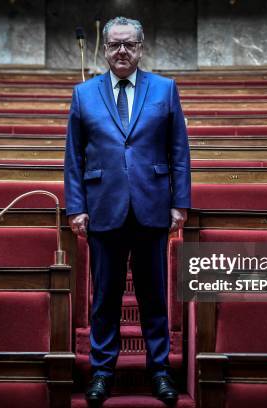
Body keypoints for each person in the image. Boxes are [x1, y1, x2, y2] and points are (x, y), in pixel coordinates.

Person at [64, 16, 191, 407]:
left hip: (152, 207)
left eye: (129, 44)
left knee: (154, 298)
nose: (122, 51)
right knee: (105, 298)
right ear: (105, 49)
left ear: (141, 47)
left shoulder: (165, 89)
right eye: (115, 45)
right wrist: (76, 208)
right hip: (104, 209)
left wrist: (179, 202)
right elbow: (73, 159)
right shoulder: (83, 94)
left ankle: (159, 372)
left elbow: (179, 152)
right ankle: (102, 372)